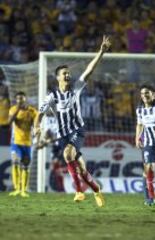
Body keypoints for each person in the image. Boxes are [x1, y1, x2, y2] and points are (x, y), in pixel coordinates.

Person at [34, 35, 111, 207]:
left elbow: (89, 70)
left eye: (68, 72)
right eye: (64, 73)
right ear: (58, 78)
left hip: (78, 130)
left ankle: (78, 192)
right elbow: (39, 114)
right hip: (63, 135)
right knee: (82, 170)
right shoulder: (52, 96)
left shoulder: (76, 88)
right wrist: (37, 127)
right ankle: (96, 189)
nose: (68, 75)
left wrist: (101, 52)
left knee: (67, 154)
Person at [8, 91, 38, 197]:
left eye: (22, 98)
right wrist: (17, 110)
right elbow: (9, 122)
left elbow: (36, 124)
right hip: (16, 142)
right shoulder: (13, 109)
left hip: (27, 143)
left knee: (25, 165)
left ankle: (23, 190)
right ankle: (16, 189)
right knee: (15, 161)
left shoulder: (32, 111)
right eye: (18, 99)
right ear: (16, 100)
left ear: (25, 99)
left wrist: (37, 132)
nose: (20, 100)